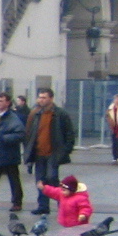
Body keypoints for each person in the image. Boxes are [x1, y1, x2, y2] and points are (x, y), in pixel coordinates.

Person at [23, 88, 75, 217]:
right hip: (38, 152)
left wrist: (66, 150)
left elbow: (69, 133)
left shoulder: (60, 114)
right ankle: (43, 206)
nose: (41, 100)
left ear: (51, 99)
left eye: (44, 97)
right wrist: (29, 149)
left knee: (52, 178)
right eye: (39, 97)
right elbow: (29, 133)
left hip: (53, 153)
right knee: (40, 180)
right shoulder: (35, 114)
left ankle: (62, 204)